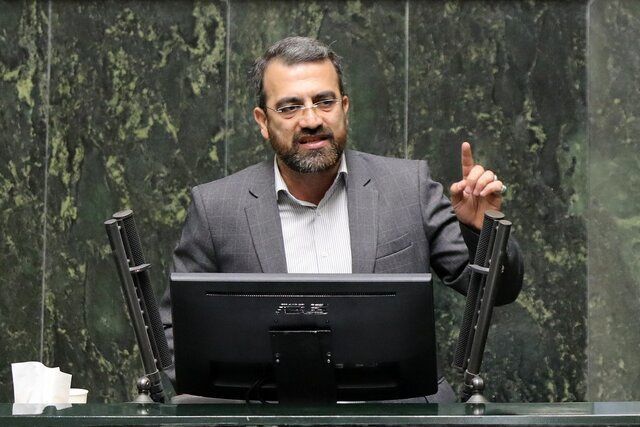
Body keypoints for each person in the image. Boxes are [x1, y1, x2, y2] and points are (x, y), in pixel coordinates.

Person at [161, 36, 523, 403]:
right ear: (263, 121)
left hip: (402, 414)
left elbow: (496, 292)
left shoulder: (408, 188)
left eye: (324, 101)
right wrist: (238, 405)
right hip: (269, 417)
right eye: (289, 107)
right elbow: (175, 330)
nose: (311, 120)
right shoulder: (217, 208)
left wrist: (482, 229)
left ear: (344, 107)